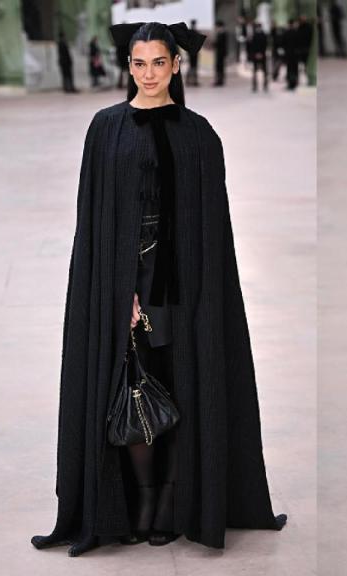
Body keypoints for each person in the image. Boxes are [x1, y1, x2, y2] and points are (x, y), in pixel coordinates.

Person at [31, 20, 287, 558]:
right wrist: (117, 289)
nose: (149, 74)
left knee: (181, 381)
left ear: (176, 65)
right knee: (131, 383)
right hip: (124, 278)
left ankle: (171, 502)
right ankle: (137, 501)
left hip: (182, 284)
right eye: (139, 63)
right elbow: (94, 223)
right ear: (128, 67)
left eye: (159, 63)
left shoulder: (200, 135)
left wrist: (200, 295)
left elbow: (211, 229)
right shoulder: (105, 128)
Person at [247, 21, 267, 93]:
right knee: (261, 71)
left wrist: (257, 54)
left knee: (258, 71)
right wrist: (260, 53)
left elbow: (253, 46)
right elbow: (264, 45)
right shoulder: (262, 35)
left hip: (258, 55)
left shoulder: (255, 35)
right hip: (260, 55)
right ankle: (261, 85)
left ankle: (259, 85)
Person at [212, 19, 227, 87]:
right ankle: (219, 80)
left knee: (220, 67)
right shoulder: (221, 33)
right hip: (219, 53)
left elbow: (220, 44)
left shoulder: (222, 34)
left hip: (221, 53)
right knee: (219, 67)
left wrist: (214, 44)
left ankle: (220, 80)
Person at [185, 19, 198, 86]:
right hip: (193, 52)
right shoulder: (194, 32)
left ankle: (190, 80)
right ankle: (193, 81)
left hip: (192, 52)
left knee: (192, 66)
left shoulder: (189, 32)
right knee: (193, 66)